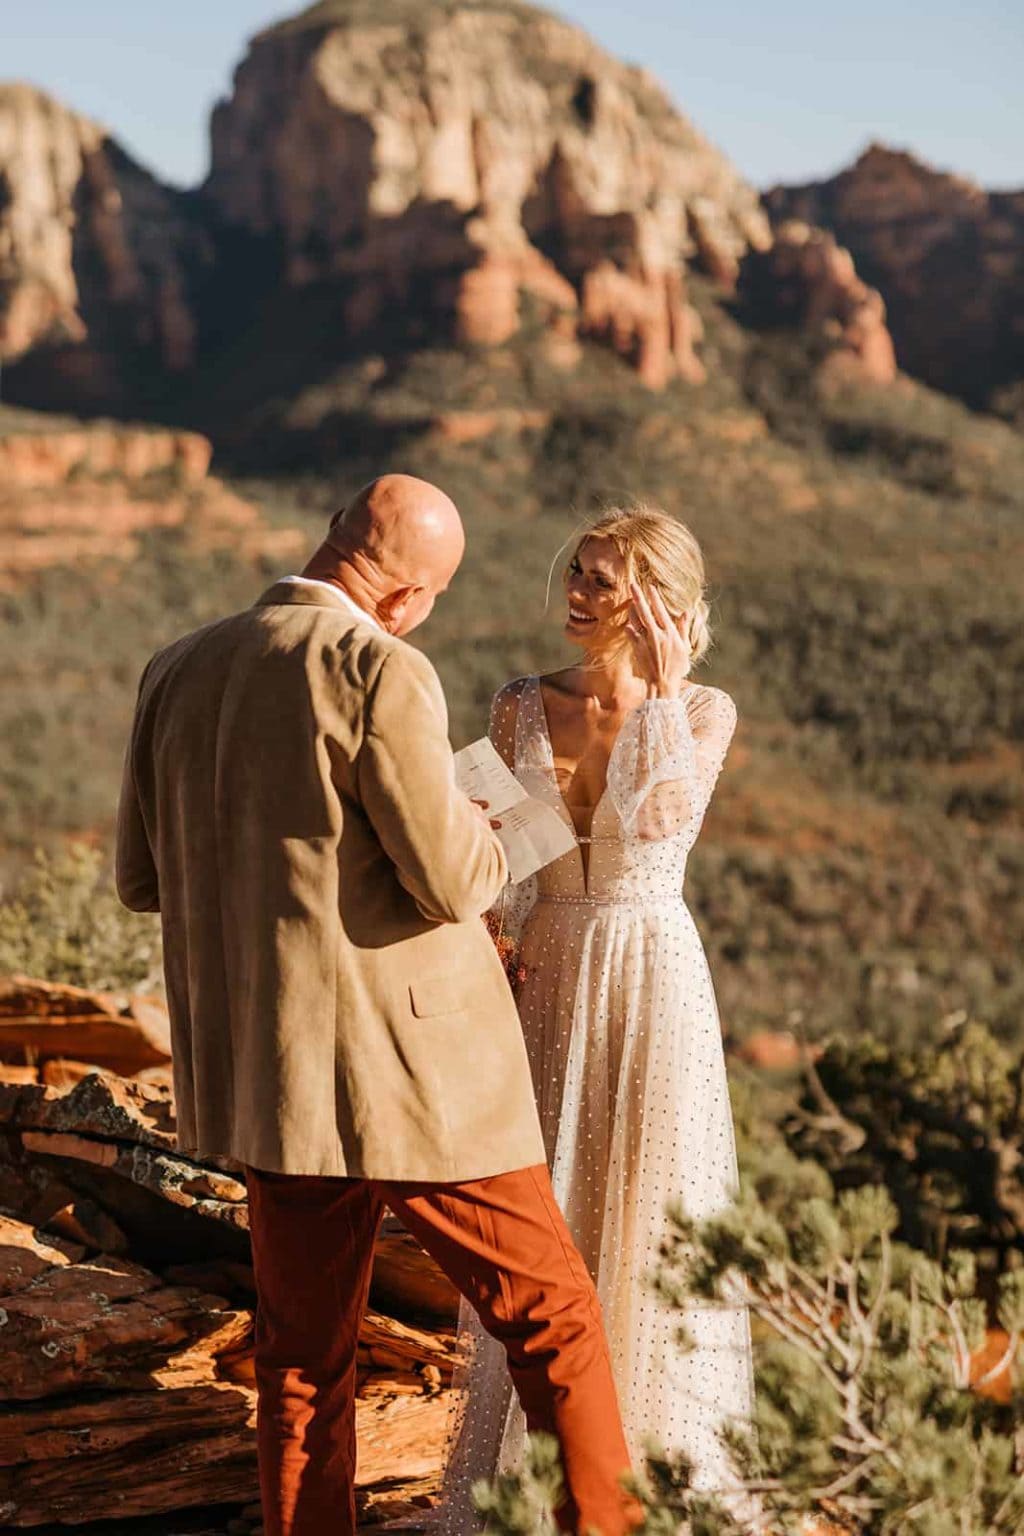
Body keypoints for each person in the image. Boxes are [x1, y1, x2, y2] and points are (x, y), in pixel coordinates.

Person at [115, 475, 636, 1536]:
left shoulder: (175, 669)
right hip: (419, 1073)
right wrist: (502, 826)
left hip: (274, 1072)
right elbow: (451, 880)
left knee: (304, 1362)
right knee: (553, 1320)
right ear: (405, 598)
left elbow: (141, 877)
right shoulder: (376, 668)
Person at [442, 504, 754, 1526]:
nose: (576, 593)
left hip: (650, 970)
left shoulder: (703, 711)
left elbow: (664, 817)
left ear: (653, 602)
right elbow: (498, 861)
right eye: (576, 571)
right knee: (545, 1222)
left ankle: (648, 1483)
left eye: (602, 580)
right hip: (548, 968)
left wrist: (661, 693)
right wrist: (486, 945)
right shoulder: (517, 705)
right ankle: (527, 1483)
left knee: (647, 1210)